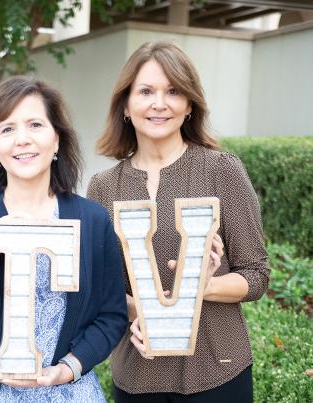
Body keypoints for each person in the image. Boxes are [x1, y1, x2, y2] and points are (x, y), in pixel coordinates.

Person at [87, 41, 269, 402]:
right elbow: (99, 288)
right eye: (146, 91)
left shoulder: (223, 171)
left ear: (189, 105)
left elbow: (257, 274)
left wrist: (203, 288)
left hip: (219, 370)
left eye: (173, 91)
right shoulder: (103, 187)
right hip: (137, 374)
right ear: (126, 105)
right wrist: (140, 310)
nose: (159, 103)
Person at [0, 76, 128, 402]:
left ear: (57, 140)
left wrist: (69, 367)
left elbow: (111, 315)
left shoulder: (92, 221)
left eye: (35, 124)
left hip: (68, 392)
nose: (22, 139)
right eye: (7, 129)